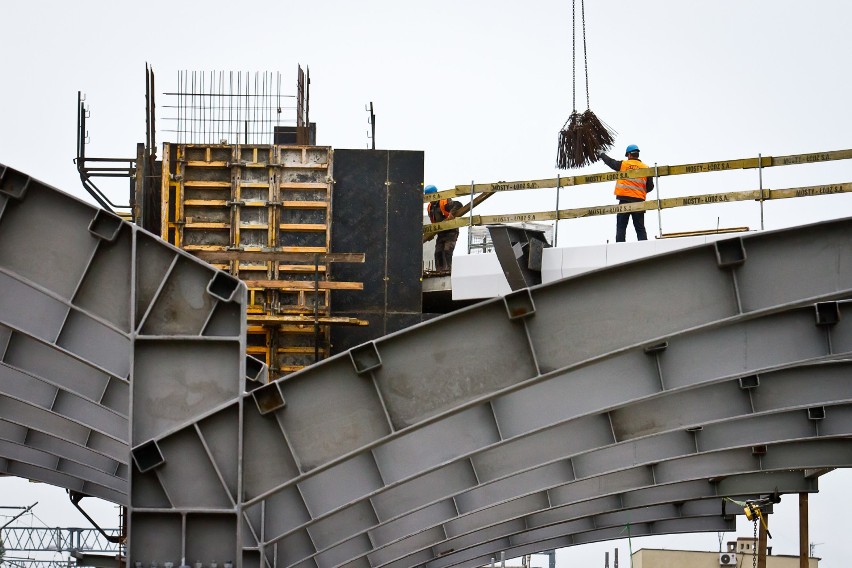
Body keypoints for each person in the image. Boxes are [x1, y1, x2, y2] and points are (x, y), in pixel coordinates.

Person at [599, 144, 655, 242]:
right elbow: (650, 187)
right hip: (639, 202)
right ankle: (645, 248)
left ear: (629, 154)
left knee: (621, 227)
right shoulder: (646, 168)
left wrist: (602, 154)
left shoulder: (623, 165)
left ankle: (620, 248)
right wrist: (638, 191)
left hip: (624, 201)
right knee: (640, 228)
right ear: (637, 154)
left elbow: (611, 162)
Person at [425, 184, 463, 272]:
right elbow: (433, 222)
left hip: (451, 231)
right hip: (441, 233)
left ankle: (449, 271)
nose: (429, 198)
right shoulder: (430, 208)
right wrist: (431, 234)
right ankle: (440, 271)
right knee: (438, 253)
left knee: (447, 251)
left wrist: (451, 213)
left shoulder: (443, 201)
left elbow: (458, 204)